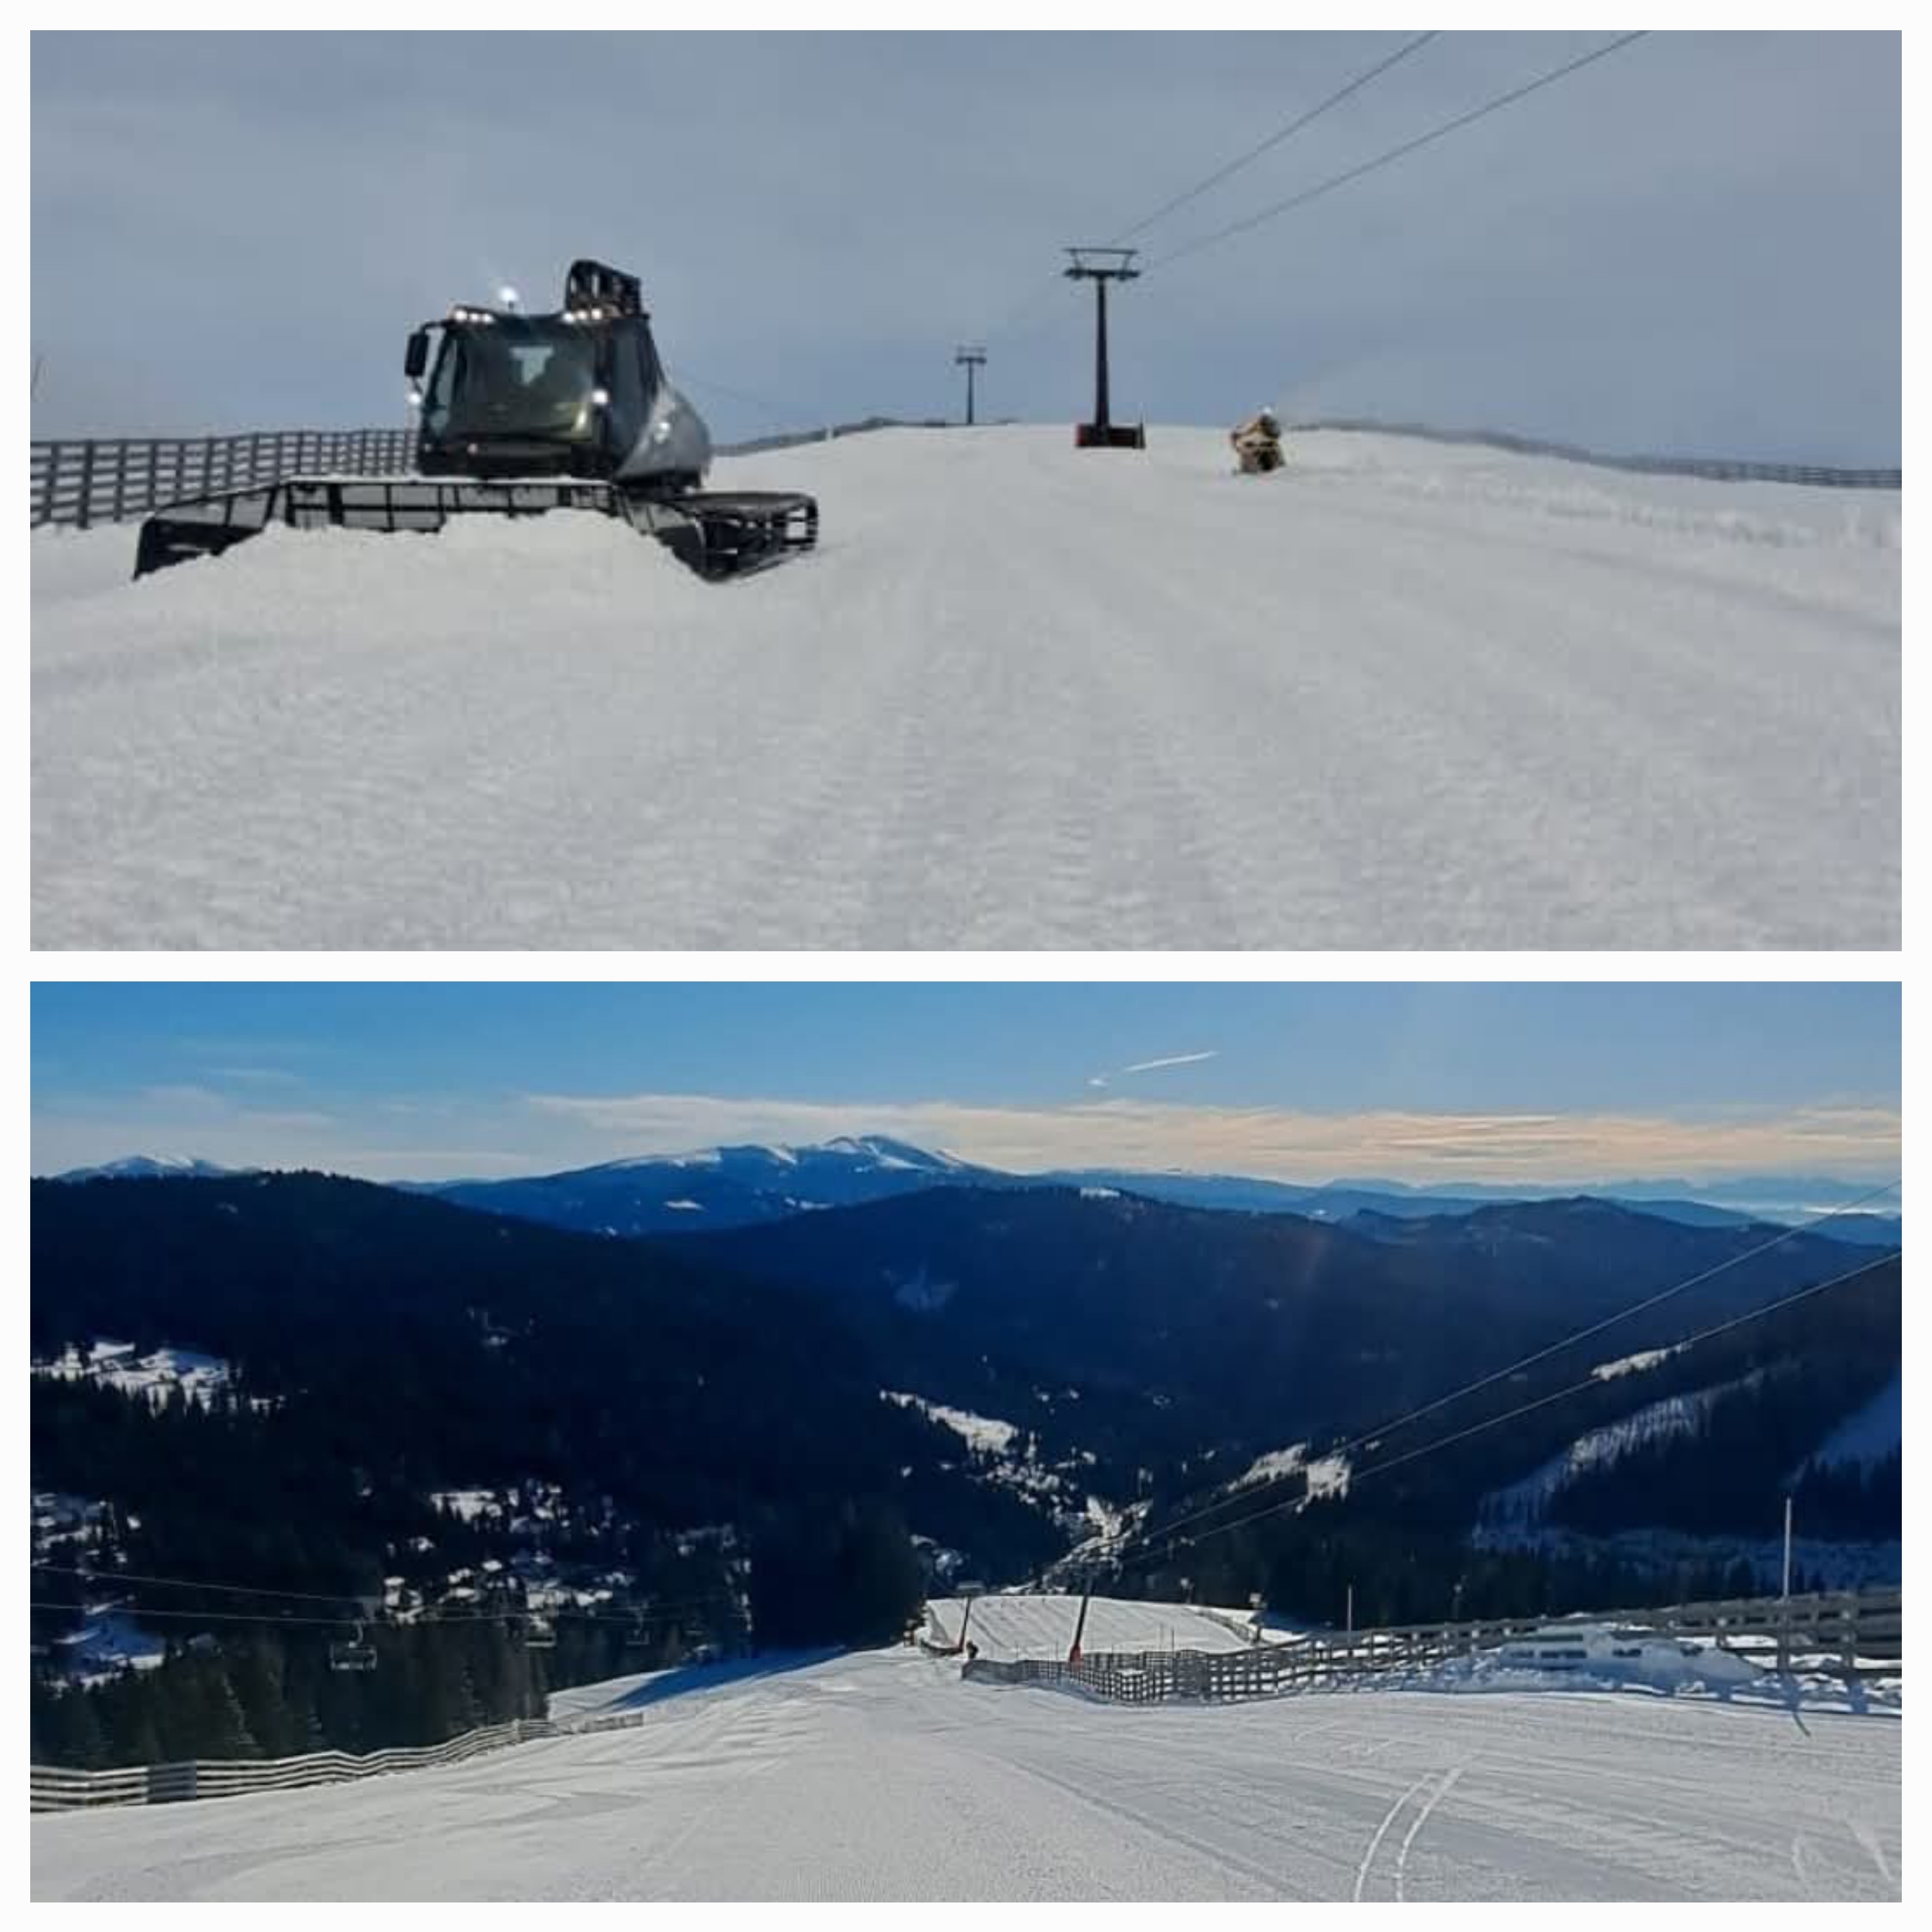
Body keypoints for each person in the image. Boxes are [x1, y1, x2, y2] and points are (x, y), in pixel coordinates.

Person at [1230, 407, 1285, 474]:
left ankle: (1252, 468)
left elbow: (1245, 431)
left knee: (1251, 450)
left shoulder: (1262, 425)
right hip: (1261, 445)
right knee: (1251, 452)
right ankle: (1251, 468)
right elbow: (1241, 433)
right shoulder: (1256, 426)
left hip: (1262, 445)